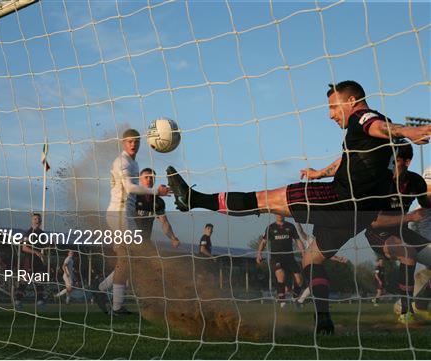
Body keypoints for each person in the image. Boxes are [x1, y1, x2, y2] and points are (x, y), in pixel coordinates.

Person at [166, 80, 431, 334]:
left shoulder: (363, 117)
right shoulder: (366, 138)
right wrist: (318, 174)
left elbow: (377, 126)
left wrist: (409, 131)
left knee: (265, 199)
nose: (330, 115)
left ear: (352, 101)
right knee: (311, 259)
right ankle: (324, 319)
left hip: (339, 199)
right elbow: (348, 159)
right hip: (358, 216)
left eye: (333, 107)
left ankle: (194, 199)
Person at [94, 129, 170, 316]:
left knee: (129, 259)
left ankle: (100, 290)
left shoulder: (133, 163)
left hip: (122, 216)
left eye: (136, 141)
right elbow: (128, 187)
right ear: (123, 143)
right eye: (129, 141)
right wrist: (154, 192)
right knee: (130, 259)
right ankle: (116, 305)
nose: (133, 144)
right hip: (120, 215)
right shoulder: (123, 161)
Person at [365, 142, 430, 322]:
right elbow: (374, 222)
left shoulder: (416, 181)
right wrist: (409, 218)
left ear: (407, 162)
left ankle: (420, 303)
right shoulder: (380, 183)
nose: (391, 164)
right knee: (407, 252)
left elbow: (426, 206)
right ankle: (406, 313)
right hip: (378, 233)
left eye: (397, 160)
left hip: (402, 230)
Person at [256, 215, 304, 307]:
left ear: (284, 214)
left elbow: (297, 240)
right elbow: (263, 242)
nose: (279, 215)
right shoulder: (270, 227)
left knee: (299, 280)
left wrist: (303, 253)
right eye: (277, 213)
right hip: (276, 257)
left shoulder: (290, 226)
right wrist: (259, 254)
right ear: (274, 215)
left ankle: (295, 298)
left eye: (281, 213)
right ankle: (282, 300)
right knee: (280, 274)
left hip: (289, 257)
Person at [135, 168, 180, 248]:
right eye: (146, 177)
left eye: (152, 177)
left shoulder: (158, 202)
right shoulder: (133, 196)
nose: (149, 179)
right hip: (128, 237)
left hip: (145, 241)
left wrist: (173, 238)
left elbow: (164, 222)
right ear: (140, 179)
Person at [14, 213, 47, 309]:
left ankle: (40, 301)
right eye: (35, 219)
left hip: (38, 260)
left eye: (39, 219)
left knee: (40, 279)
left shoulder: (42, 233)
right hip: (29, 260)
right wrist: (36, 252)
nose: (37, 221)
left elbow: (42, 245)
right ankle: (18, 300)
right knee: (25, 281)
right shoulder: (28, 233)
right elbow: (24, 248)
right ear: (32, 221)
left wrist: (49, 244)